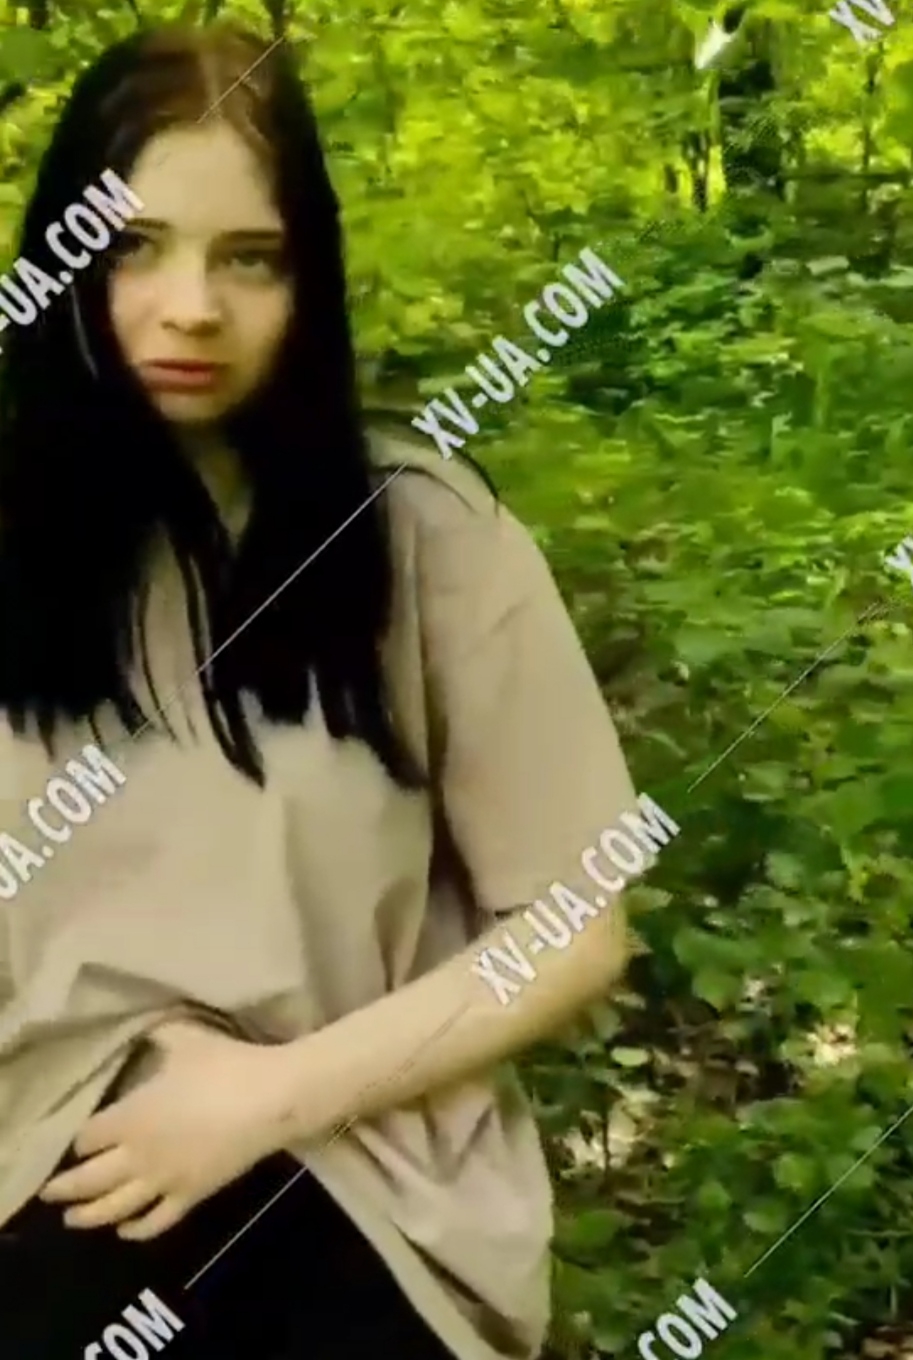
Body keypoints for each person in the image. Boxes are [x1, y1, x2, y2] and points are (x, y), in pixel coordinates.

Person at [0, 21, 640, 1360]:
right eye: (135, 246)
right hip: (36, 1180)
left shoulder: (424, 537)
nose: (192, 306)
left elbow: (577, 924)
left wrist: (266, 1098)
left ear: (312, 279)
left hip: (363, 1183)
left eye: (252, 257)